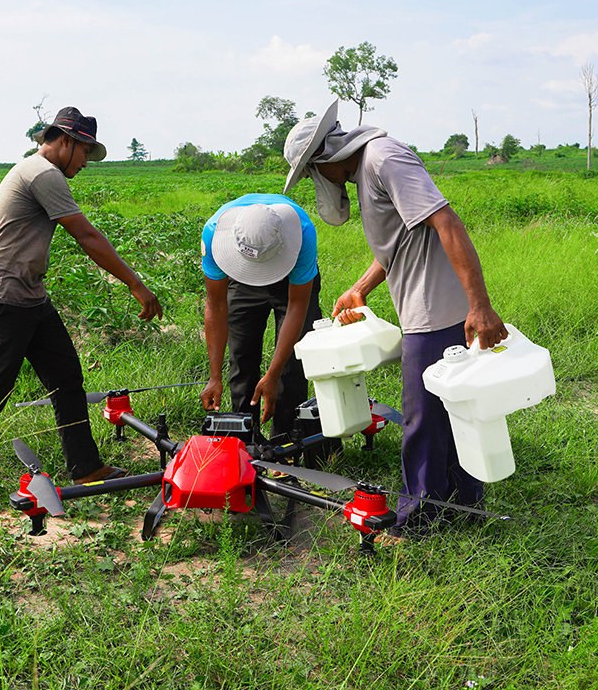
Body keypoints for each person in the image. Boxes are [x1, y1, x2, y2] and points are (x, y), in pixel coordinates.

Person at [282, 100, 507, 535]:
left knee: (422, 416)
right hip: (421, 309)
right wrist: (360, 288)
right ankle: (463, 504)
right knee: (448, 410)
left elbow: (447, 222)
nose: (317, 183)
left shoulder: (384, 158)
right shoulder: (367, 170)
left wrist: (479, 305)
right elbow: (398, 244)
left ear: (324, 160)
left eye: (311, 174)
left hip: (437, 311)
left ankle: (418, 520)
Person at [0, 107, 162, 501]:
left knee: (66, 376)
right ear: (65, 141)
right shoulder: (43, 173)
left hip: (28, 295)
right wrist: (136, 285)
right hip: (4, 295)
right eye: (85, 151)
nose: (86, 162)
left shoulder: (38, 171)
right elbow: (86, 236)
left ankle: (85, 468)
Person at [199, 194, 337, 464]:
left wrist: (272, 374)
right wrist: (214, 376)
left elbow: (297, 306)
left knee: (293, 364)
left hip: (290, 280)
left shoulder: (303, 233)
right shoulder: (214, 234)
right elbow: (215, 305)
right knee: (241, 355)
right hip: (240, 276)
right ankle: (244, 445)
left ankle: (284, 446)